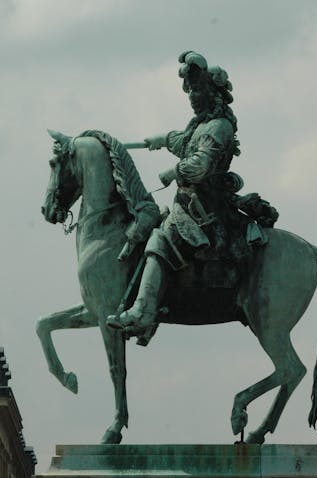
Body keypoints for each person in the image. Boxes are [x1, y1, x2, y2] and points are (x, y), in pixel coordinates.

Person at [106, 51, 243, 334]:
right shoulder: (202, 124)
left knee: (161, 236)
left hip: (205, 206)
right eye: (190, 91)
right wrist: (163, 140)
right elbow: (185, 142)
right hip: (192, 202)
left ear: (212, 93)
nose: (192, 96)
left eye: (197, 90)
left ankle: (143, 312)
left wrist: (174, 172)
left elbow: (201, 163)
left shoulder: (219, 126)